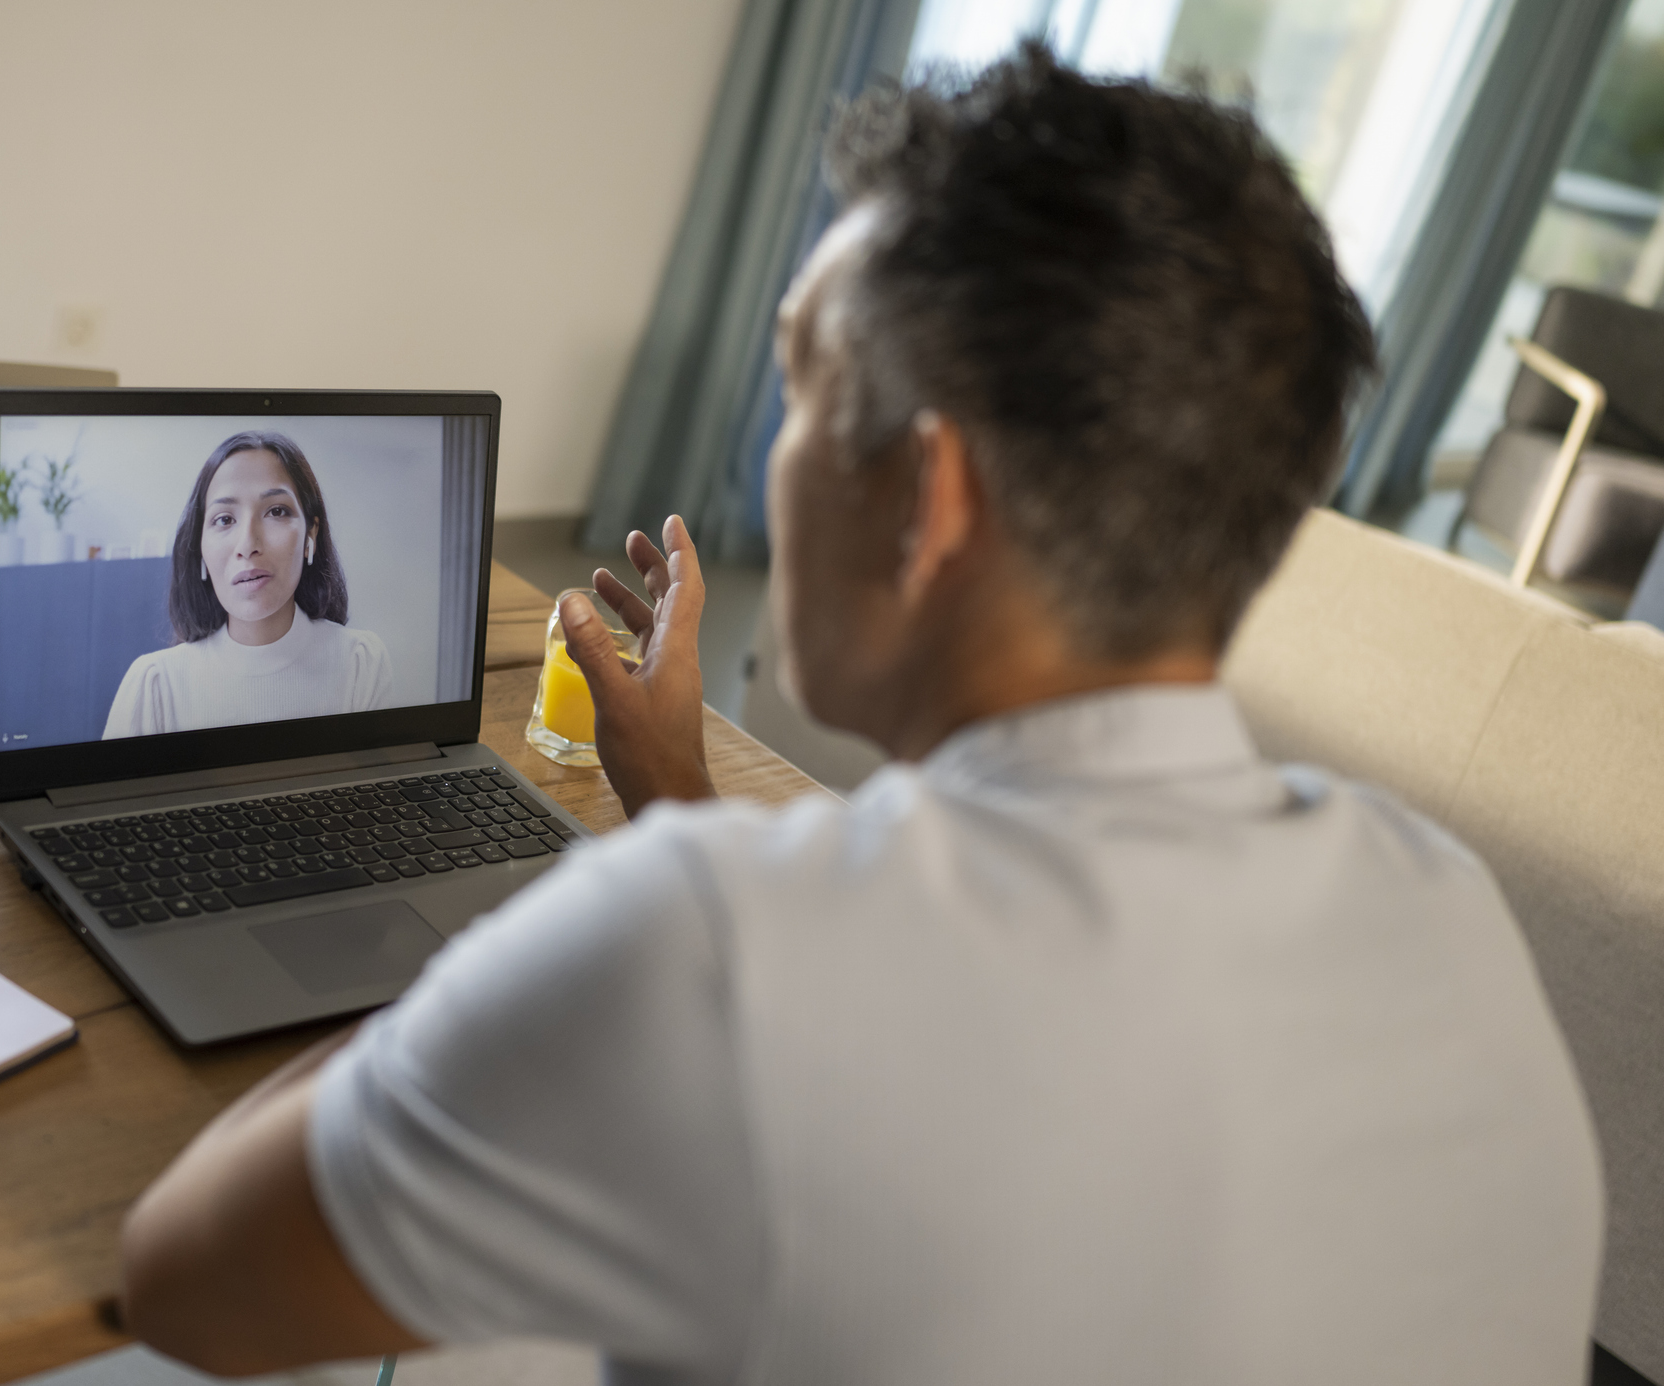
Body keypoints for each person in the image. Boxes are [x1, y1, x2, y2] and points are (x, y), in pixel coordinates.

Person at [117, 49, 1604, 1384]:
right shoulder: (1443, 907)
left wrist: (515, 965)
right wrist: (678, 791)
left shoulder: (706, 947)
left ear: (926, 496)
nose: (775, 462)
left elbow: (184, 1284)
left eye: (801, 396)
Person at [104, 430, 394, 738]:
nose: (247, 544)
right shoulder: (154, 684)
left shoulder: (360, 662)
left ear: (311, 533)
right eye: (225, 519)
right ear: (199, 548)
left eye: (276, 511)